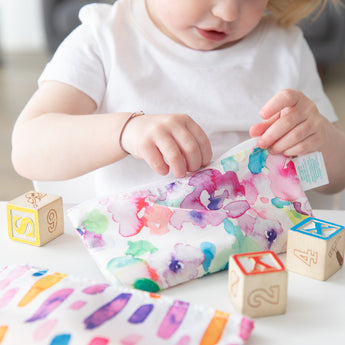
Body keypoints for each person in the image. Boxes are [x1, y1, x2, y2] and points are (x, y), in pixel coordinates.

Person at [11, 0, 345, 198]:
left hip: (256, 257)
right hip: (133, 258)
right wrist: (126, 132)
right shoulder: (104, 39)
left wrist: (321, 141)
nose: (227, 11)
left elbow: (333, 180)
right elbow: (27, 148)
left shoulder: (286, 48)